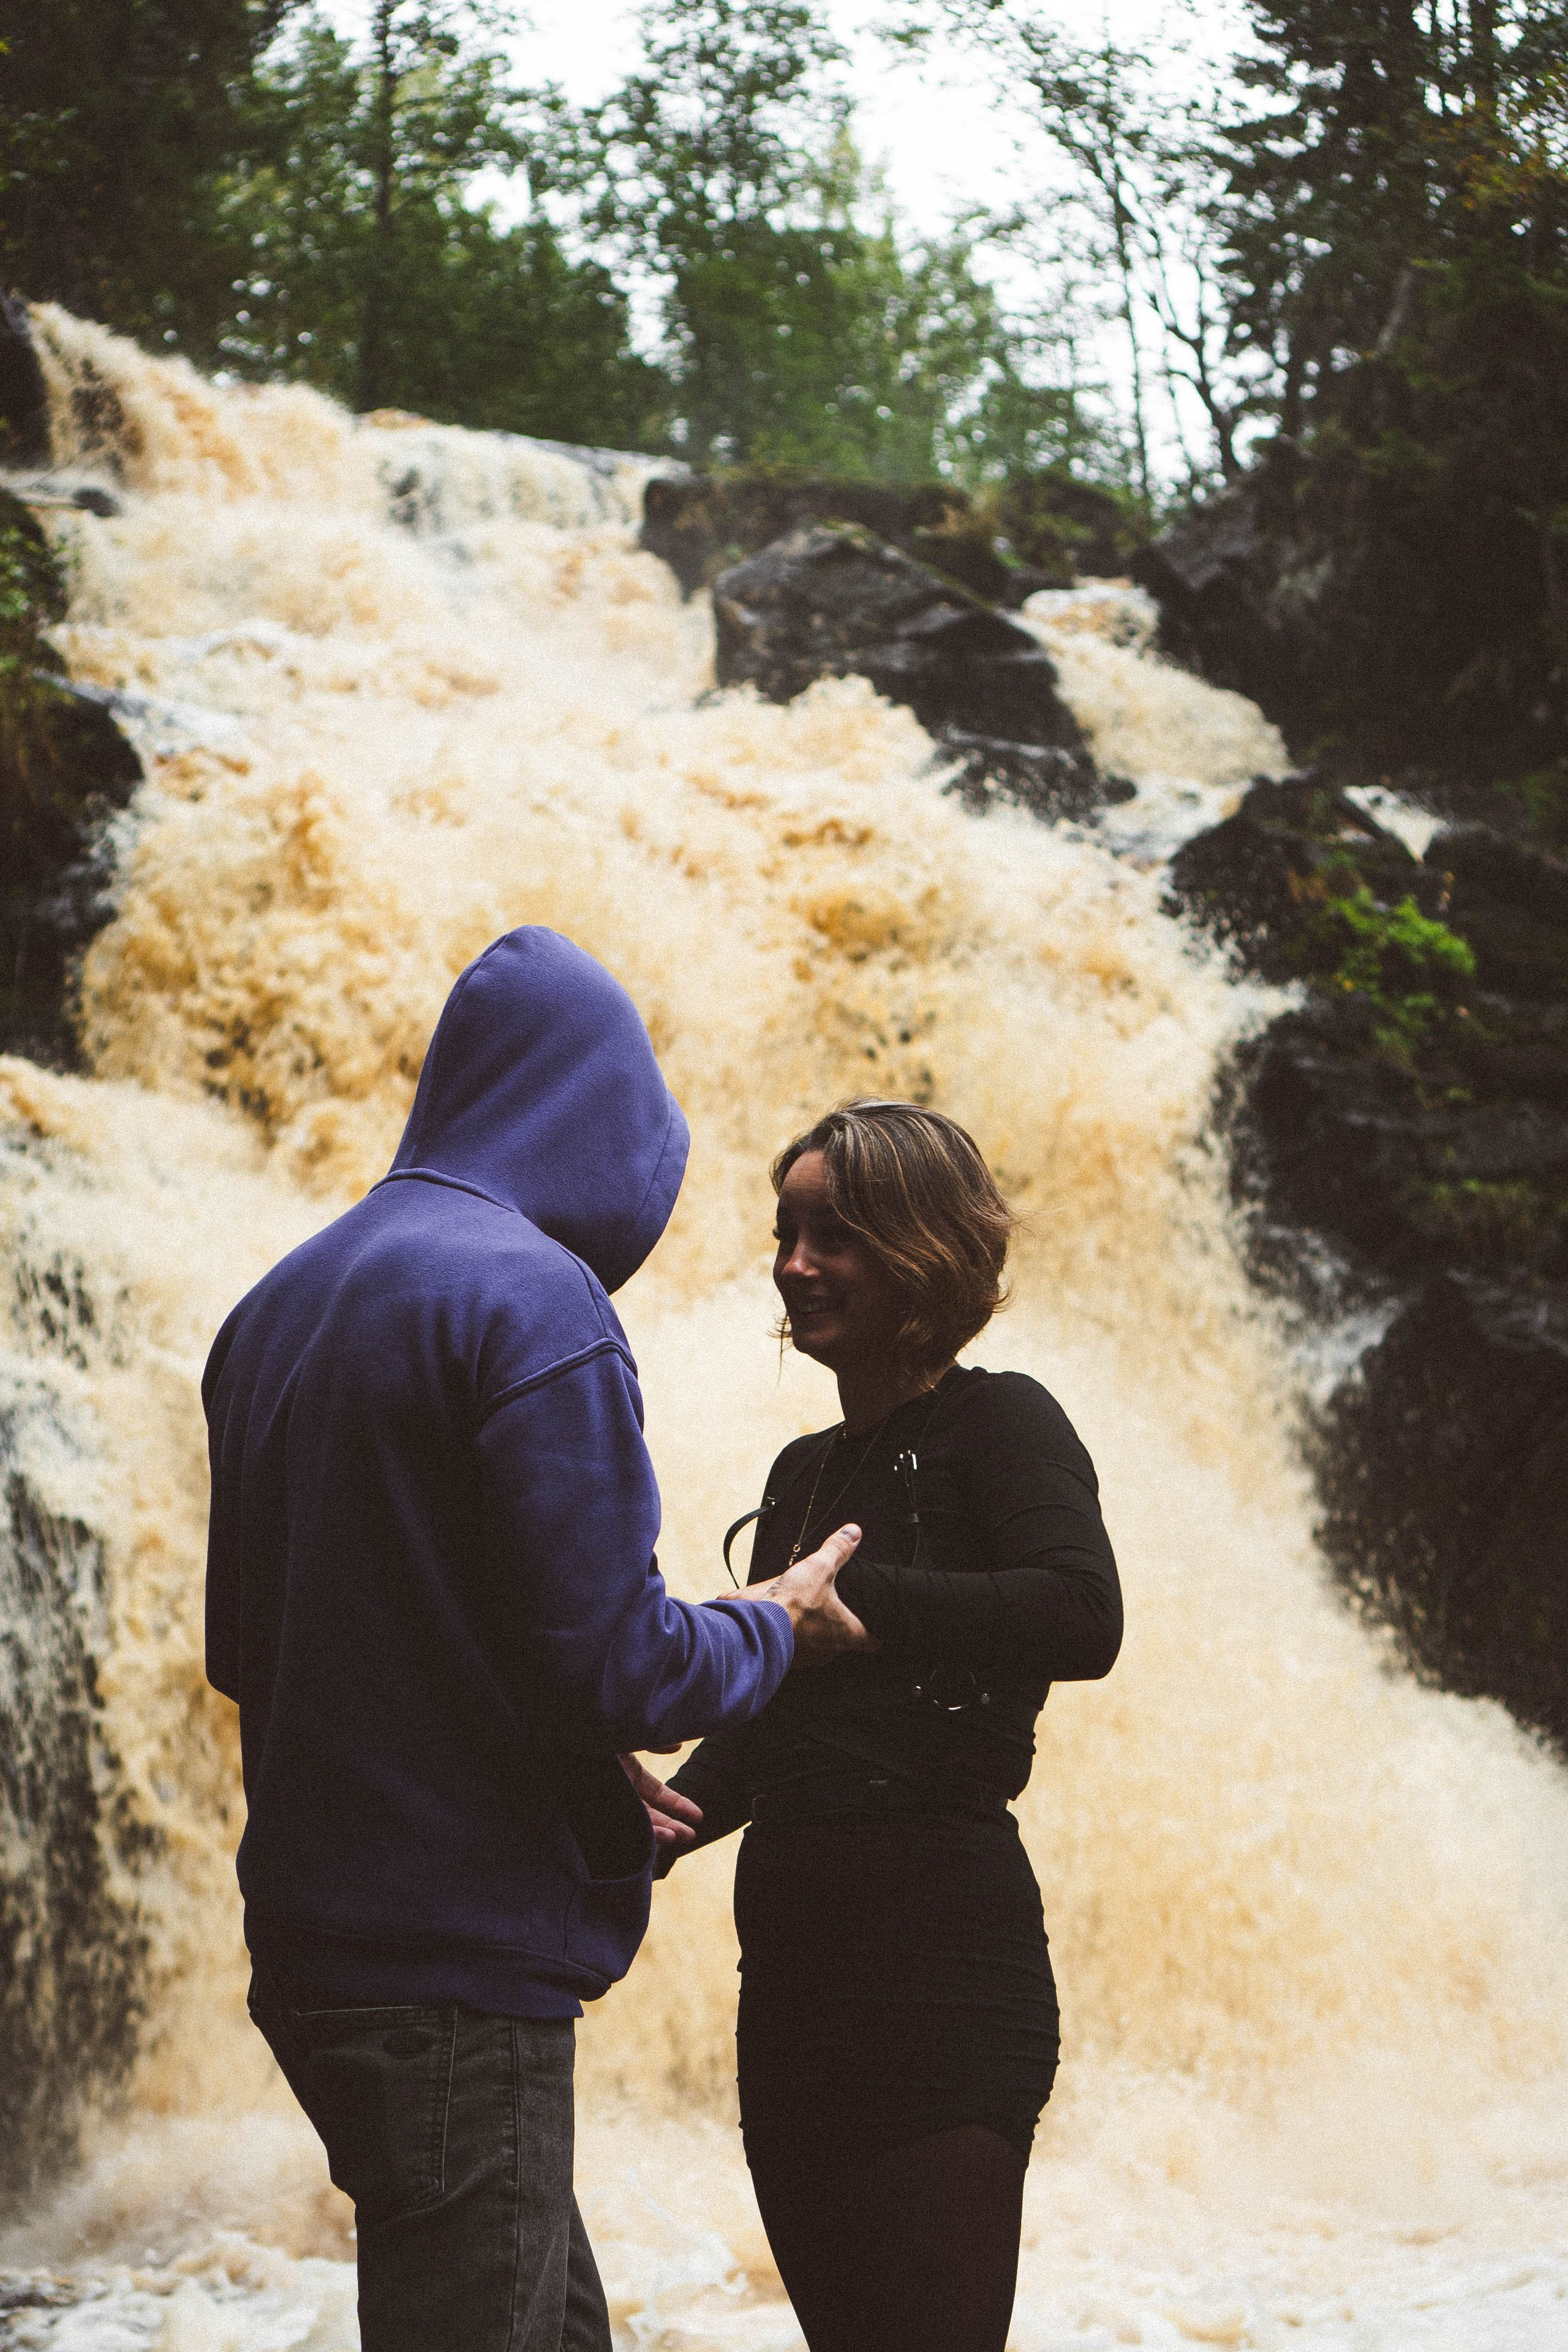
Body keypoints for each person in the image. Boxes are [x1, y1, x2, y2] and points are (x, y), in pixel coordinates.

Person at [202, 928, 864, 2352]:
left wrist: (558, 1745)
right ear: (597, 1119)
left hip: (319, 1954)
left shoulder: (279, 1304)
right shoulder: (530, 1300)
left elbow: (266, 1652)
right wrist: (776, 1622)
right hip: (454, 1966)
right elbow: (621, 1661)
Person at [650, 1098, 1123, 2352]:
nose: (794, 1266)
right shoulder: (798, 1475)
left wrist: (870, 1601)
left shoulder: (1000, 1422)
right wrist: (662, 1819)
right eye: (785, 1232)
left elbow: (1080, 1614)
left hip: (939, 1961)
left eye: (834, 1237)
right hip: (796, 1982)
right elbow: (776, 1722)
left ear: (920, 1250)